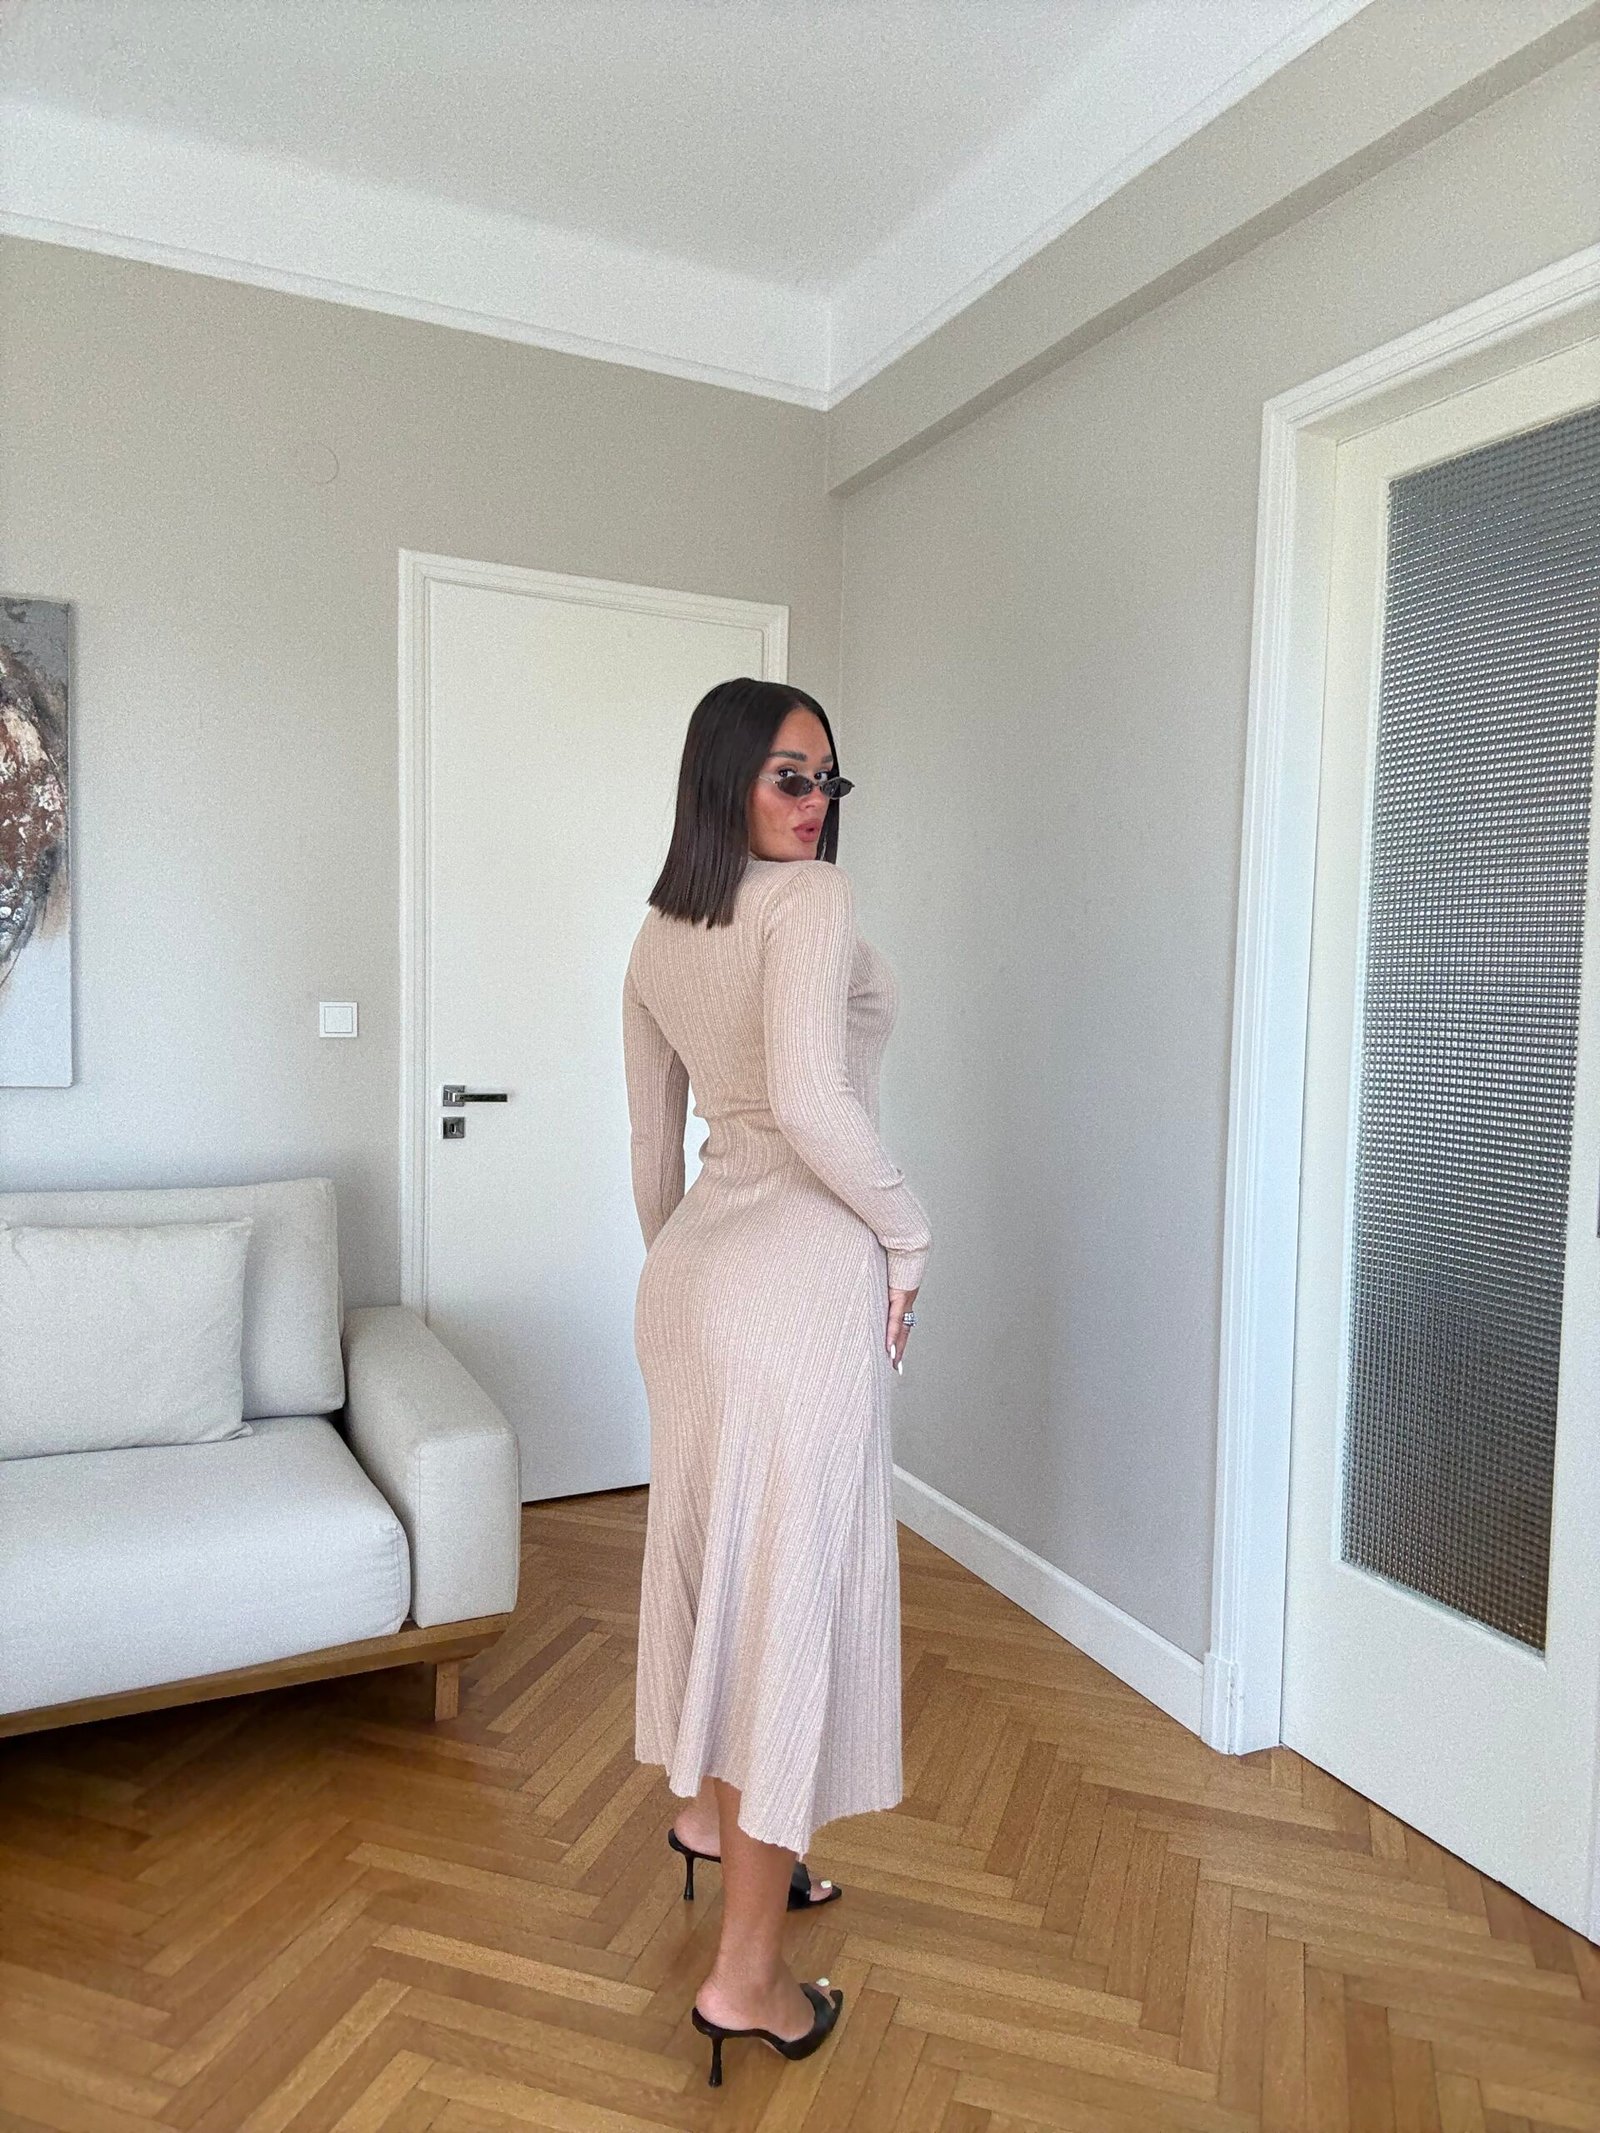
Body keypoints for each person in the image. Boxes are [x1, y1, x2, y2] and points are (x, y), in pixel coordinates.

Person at [621, 675, 931, 2087]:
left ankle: (713, 1823)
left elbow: (653, 1155)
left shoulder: (657, 933)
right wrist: (908, 1233)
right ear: (727, 776)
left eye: (829, 781)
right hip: (797, 1279)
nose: (816, 803)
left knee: (724, 1580)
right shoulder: (807, 904)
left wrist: (693, 1281)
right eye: (790, 776)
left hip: (691, 1278)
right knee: (784, 1607)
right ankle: (747, 1977)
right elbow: (810, 1099)